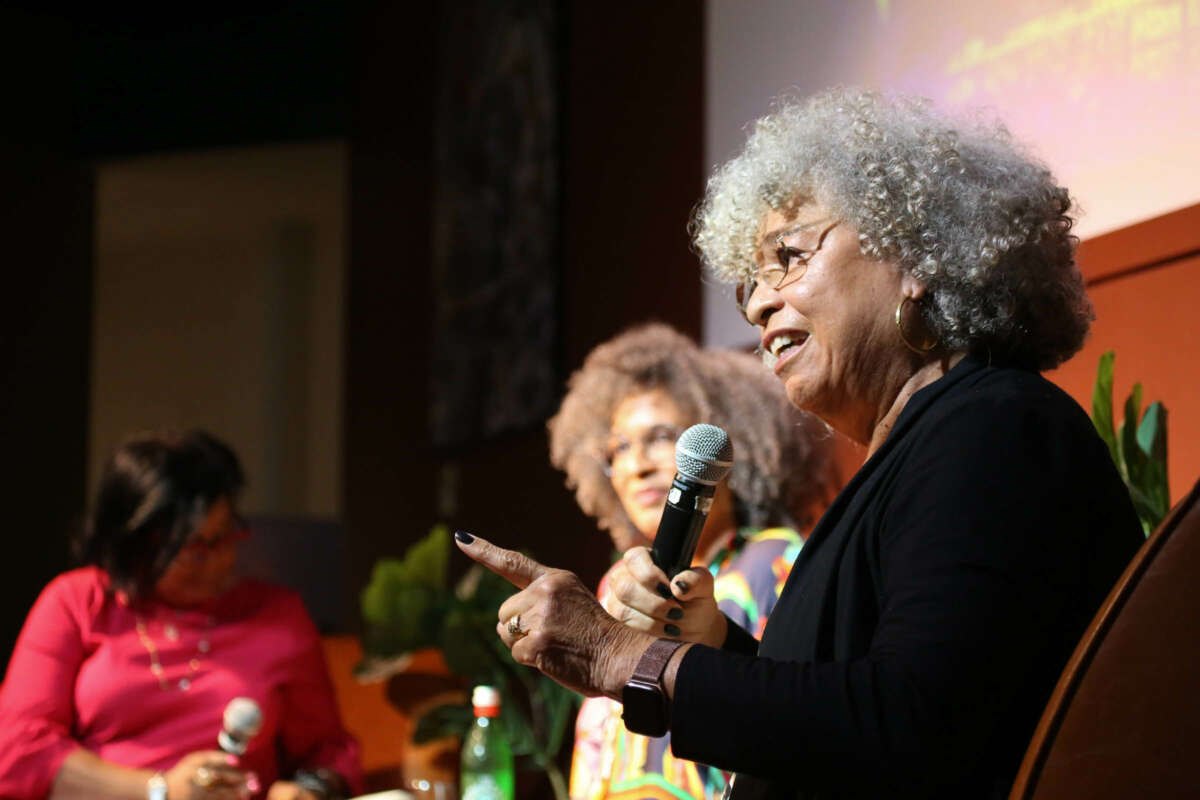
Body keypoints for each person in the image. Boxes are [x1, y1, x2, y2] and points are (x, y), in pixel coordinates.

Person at [453, 88, 1145, 799]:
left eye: (789, 256)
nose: (757, 302)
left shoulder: (996, 430)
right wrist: (715, 648)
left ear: (916, 254)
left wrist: (621, 655)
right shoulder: (933, 444)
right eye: (750, 281)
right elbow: (857, 711)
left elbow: (915, 725)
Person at [546, 323, 836, 800]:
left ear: (723, 445)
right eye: (619, 448)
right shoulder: (614, 586)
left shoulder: (774, 562)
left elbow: (795, 725)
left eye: (660, 436)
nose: (637, 463)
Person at [0, 430, 363, 800]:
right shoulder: (77, 601)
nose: (222, 559)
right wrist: (159, 791)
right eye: (195, 547)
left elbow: (331, 753)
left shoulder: (276, 615)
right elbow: (17, 751)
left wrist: (310, 790)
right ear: (135, 543)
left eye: (226, 534)